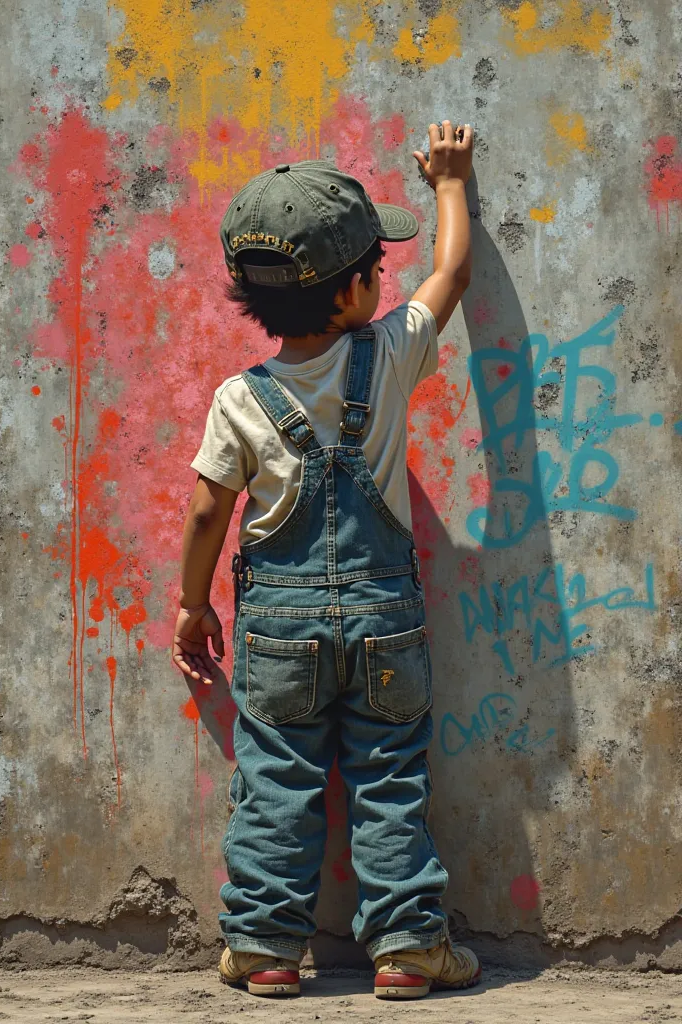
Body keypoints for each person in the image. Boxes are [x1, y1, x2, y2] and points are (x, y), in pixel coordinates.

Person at [172, 121, 479, 1001]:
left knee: (277, 782)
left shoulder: (240, 398)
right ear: (354, 292)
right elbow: (449, 273)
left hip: (279, 633)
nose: (386, 281)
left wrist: (194, 606)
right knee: (389, 779)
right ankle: (410, 946)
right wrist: (451, 182)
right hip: (387, 622)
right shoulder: (386, 357)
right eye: (377, 270)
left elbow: (206, 512)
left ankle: (266, 948)